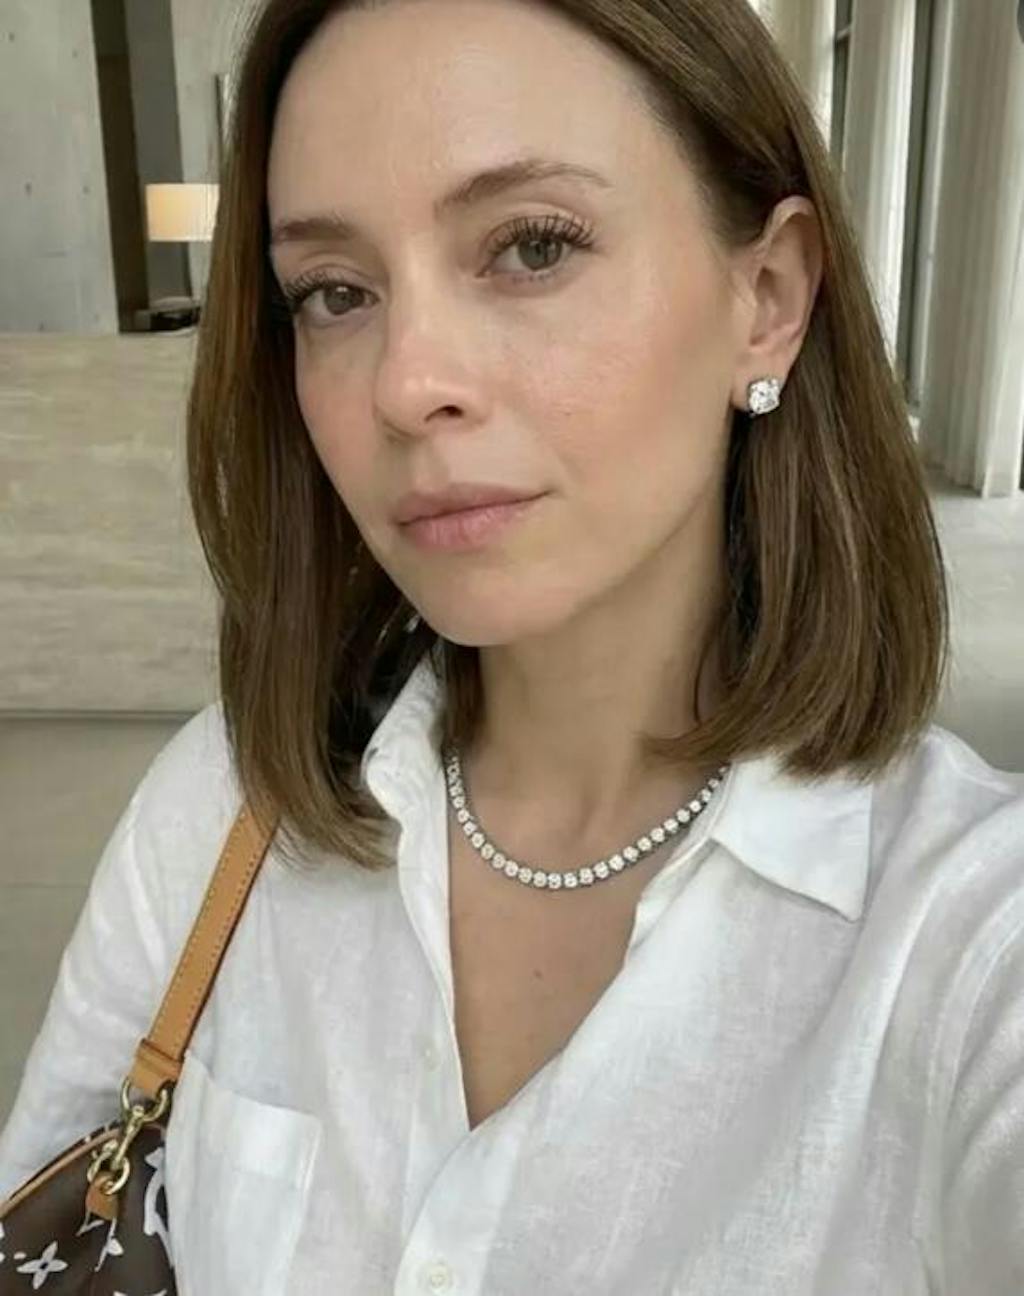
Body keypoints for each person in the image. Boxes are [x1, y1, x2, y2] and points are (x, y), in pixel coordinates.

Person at [2, 0, 1022, 1291]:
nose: (404, 382)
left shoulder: (967, 944)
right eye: (335, 292)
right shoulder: (218, 808)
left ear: (766, 298)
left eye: (532, 247)